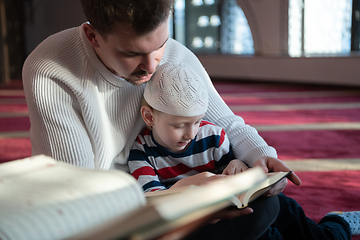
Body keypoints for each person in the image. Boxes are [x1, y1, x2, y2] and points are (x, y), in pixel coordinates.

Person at [21, 0, 359, 239]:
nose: (151, 67)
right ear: (93, 36)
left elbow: (227, 123)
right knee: (263, 216)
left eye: (159, 46)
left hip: (168, 193)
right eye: (131, 54)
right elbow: (81, 196)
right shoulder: (50, 69)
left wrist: (261, 157)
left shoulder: (174, 54)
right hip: (111, 215)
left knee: (266, 203)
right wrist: (177, 197)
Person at [128, 61, 249, 193]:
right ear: (150, 117)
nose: (191, 135)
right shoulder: (141, 150)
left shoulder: (214, 137)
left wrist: (235, 165)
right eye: (179, 126)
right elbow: (150, 197)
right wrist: (188, 184)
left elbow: (228, 178)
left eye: (197, 122)